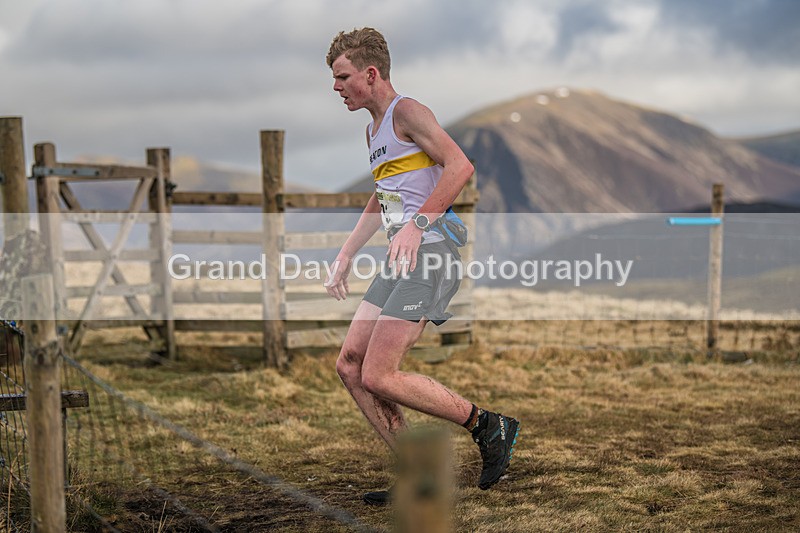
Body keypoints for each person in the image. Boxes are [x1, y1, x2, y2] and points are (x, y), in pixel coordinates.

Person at [324, 27, 519, 505]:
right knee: (350, 365)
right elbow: (382, 197)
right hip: (401, 259)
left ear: (370, 74)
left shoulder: (408, 111)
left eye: (342, 76)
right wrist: (347, 253)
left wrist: (416, 225)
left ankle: (488, 426)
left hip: (429, 254)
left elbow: (460, 166)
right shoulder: (373, 130)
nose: (336, 87)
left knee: (379, 374)